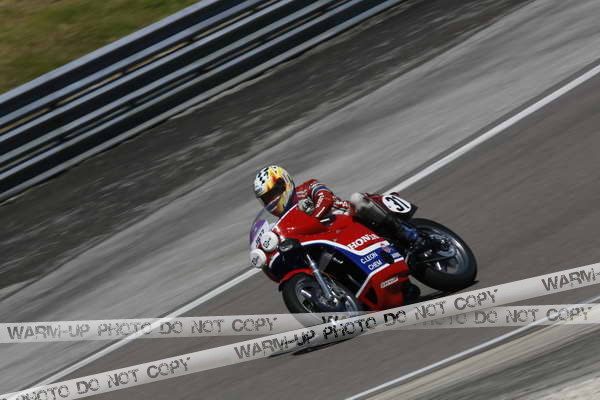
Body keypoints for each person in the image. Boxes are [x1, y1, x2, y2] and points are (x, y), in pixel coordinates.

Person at [253, 165, 427, 251]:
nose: (271, 201)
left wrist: (313, 218)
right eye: (266, 199)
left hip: (352, 218)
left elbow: (325, 196)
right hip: (336, 241)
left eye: (272, 194)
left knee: (357, 199)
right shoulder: (284, 224)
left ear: (283, 184)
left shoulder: (306, 188)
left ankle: (406, 233)